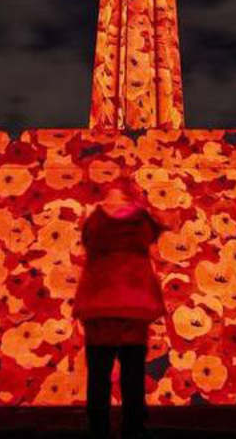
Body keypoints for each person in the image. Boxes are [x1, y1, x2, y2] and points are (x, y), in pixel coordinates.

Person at [72, 181, 168, 439]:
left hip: (100, 302)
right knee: (133, 370)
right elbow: (154, 233)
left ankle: (98, 426)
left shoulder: (96, 220)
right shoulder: (141, 222)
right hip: (133, 302)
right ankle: (133, 425)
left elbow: (88, 242)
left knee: (99, 371)